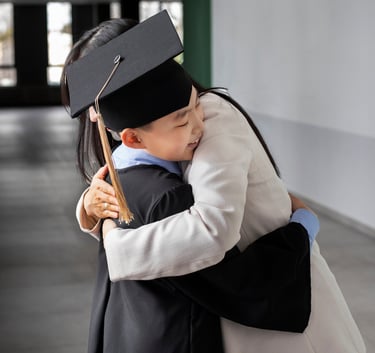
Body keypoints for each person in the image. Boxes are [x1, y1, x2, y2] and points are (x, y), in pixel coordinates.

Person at [69, 11, 365, 353]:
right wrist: (90, 210)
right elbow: (126, 189)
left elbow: (213, 227)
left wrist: (116, 246)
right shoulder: (140, 141)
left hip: (281, 288)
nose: (195, 125)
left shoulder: (210, 116)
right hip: (242, 296)